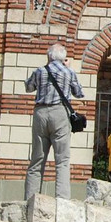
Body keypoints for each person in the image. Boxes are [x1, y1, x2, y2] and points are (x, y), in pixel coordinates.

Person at [24, 43, 84, 201]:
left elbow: (28, 87)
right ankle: (62, 200)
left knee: (37, 159)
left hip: (41, 113)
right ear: (64, 58)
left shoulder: (40, 71)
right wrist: (69, 68)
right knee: (62, 159)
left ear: (49, 56)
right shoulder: (68, 72)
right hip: (60, 113)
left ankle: (31, 200)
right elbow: (79, 93)